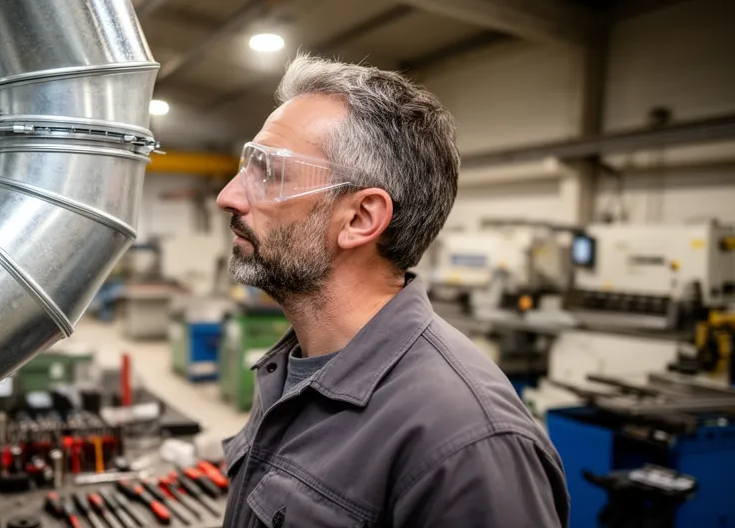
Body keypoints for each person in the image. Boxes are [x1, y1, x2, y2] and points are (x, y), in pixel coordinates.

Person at [215, 54, 570, 527]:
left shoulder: (465, 443)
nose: (229, 196)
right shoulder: (291, 375)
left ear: (360, 219)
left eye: (269, 173)